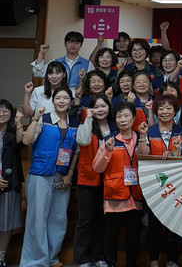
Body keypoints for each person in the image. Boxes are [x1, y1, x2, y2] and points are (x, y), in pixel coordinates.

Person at [20, 87, 80, 267]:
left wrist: (70, 173)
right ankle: (35, 262)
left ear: (71, 102)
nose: (62, 101)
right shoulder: (44, 119)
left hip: (62, 176)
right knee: (37, 219)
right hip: (40, 174)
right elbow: (26, 141)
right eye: (58, 98)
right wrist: (34, 119)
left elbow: (77, 150)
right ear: (53, 101)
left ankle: (52, 258)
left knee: (58, 219)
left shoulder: (75, 123)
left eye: (65, 98)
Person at [92, 101, 149, 267]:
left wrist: (143, 137)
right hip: (114, 196)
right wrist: (108, 152)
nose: (122, 120)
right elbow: (97, 168)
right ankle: (111, 264)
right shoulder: (109, 140)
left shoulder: (140, 138)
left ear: (133, 118)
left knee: (133, 237)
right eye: (119, 116)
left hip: (135, 196)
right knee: (111, 237)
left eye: (126, 116)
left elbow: (145, 158)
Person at [74, 93, 116, 267]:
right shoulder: (86, 125)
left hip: (109, 179)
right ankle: (81, 259)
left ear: (109, 107)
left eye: (103, 106)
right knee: (86, 220)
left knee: (101, 220)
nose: (100, 110)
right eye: (96, 107)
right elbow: (83, 141)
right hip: (87, 178)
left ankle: (98, 257)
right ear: (91, 109)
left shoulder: (114, 126)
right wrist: (88, 118)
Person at [146, 94, 182, 267]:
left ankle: (172, 261)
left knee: (173, 226)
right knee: (154, 227)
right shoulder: (149, 132)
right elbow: (143, 156)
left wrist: (175, 153)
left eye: (169, 108)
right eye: (161, 108)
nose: (164, 111)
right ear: (156, 112)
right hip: (153, 185)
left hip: (176, 185)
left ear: (175, 111)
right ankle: (154, 262)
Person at [0, 100, 25, 267]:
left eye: (5, 110)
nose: (2, 113)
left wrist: (18, 123)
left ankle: (1, 257)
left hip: (9, 181)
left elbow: (21, 144)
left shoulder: (13, 131)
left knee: (6, 221)